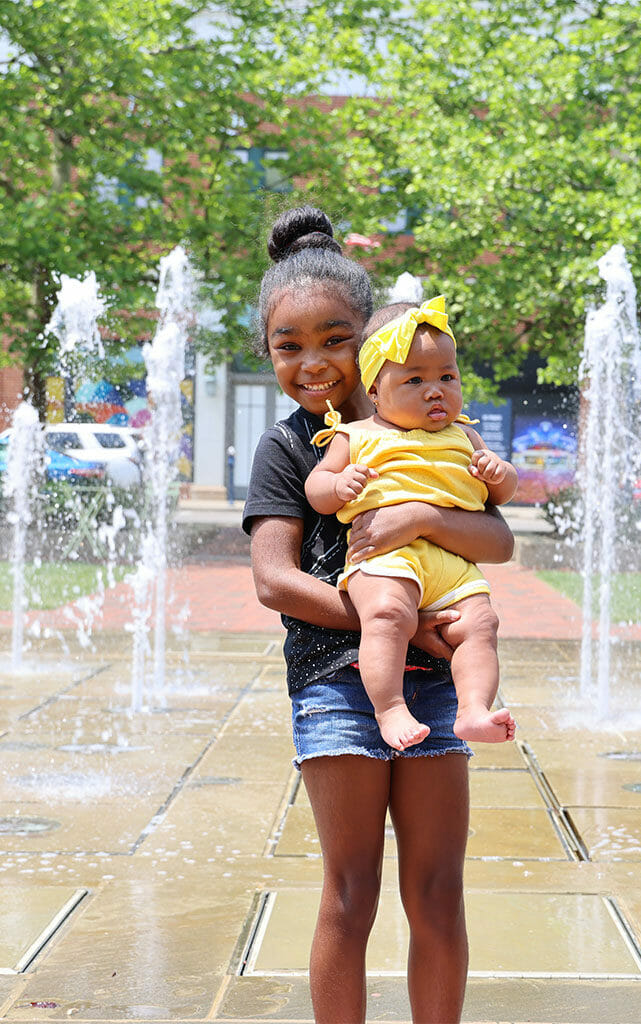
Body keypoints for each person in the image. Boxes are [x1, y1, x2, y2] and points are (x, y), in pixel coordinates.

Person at [242, 204, 515, 1024]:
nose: (315, 362)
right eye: (290, 347)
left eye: (336, 340)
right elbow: (274, 581)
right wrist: (386, 625)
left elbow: (496, 537)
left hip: (435, 685)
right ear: (269, 354)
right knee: (350, 889)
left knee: (436, 890)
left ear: (374, 339)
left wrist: (420, 520)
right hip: (332, 681)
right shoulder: (292, 448)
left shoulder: (434, 426)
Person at [304, 296, 518, 751]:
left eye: (447, 377)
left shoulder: (465, 435)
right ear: (375, 392)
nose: (435, 390)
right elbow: (316, 487)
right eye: (415, 379)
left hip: (451, 564)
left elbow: (498, 499)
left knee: (481, 624)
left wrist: (500, 475)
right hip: (386, 558)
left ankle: (474, 709)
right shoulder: (357, 435)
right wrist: (339, 484)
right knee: (386, 614)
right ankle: (390, 707)